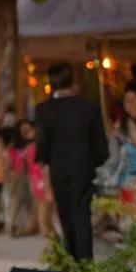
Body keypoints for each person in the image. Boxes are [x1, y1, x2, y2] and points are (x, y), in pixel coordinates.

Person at [34, 62, 109, 260]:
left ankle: (71, 261)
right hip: (83, 169)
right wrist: (90, 163)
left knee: (65, 215)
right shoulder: (89, 108)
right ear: (72, 82)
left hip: (58, 169)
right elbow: (102, 148)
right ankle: (85, 264)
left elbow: (42, 147)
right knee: (81, 216)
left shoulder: (43, 110)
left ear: (51, 84)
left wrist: (46, 169)